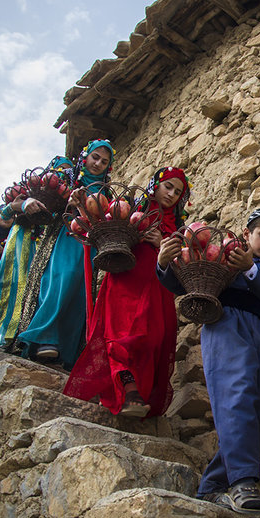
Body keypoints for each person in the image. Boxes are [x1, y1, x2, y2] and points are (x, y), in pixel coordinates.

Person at [157, 207, 260, 513]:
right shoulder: (221, 257)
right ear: (247, 235)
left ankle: (213, 485)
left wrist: (251, 270)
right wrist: (164, 262)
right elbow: (182, 280)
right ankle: (243, 482)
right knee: (236, 396)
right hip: (226, 326)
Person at [64, 166, 190, 417]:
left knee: (151, 338)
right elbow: (99, 222)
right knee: (122, 333)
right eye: (168, 187)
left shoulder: (178, 227)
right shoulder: (132, 208)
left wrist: (160, 244)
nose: (172, 194)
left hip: (157, 287)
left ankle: (137, 394)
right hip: (127, 279)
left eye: (178, 192)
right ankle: (128, 391)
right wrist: (80, 206)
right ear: (155, 185)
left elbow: (183, 265)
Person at [17, 141, 114, 368]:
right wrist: (68, 202)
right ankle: (44, 337)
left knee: (79, 291)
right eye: (95, 157)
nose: (98, 163)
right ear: (85, 157)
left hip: (89, 244)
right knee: (61, 279)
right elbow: (49, 205)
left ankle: (66, 349)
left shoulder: (105, 190)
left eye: (104, 161)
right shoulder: (68, 178)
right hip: (65, 237)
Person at [0, 156, 72, 348]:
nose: (62, 175)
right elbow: (2, 221)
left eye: (67, 172)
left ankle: (19, 339)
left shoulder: (60, 209)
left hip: (42, 254)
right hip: (18, 250)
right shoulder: (25, 195)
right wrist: (20, 205)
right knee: (9, 286)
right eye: (59, 170)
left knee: (36, 292)